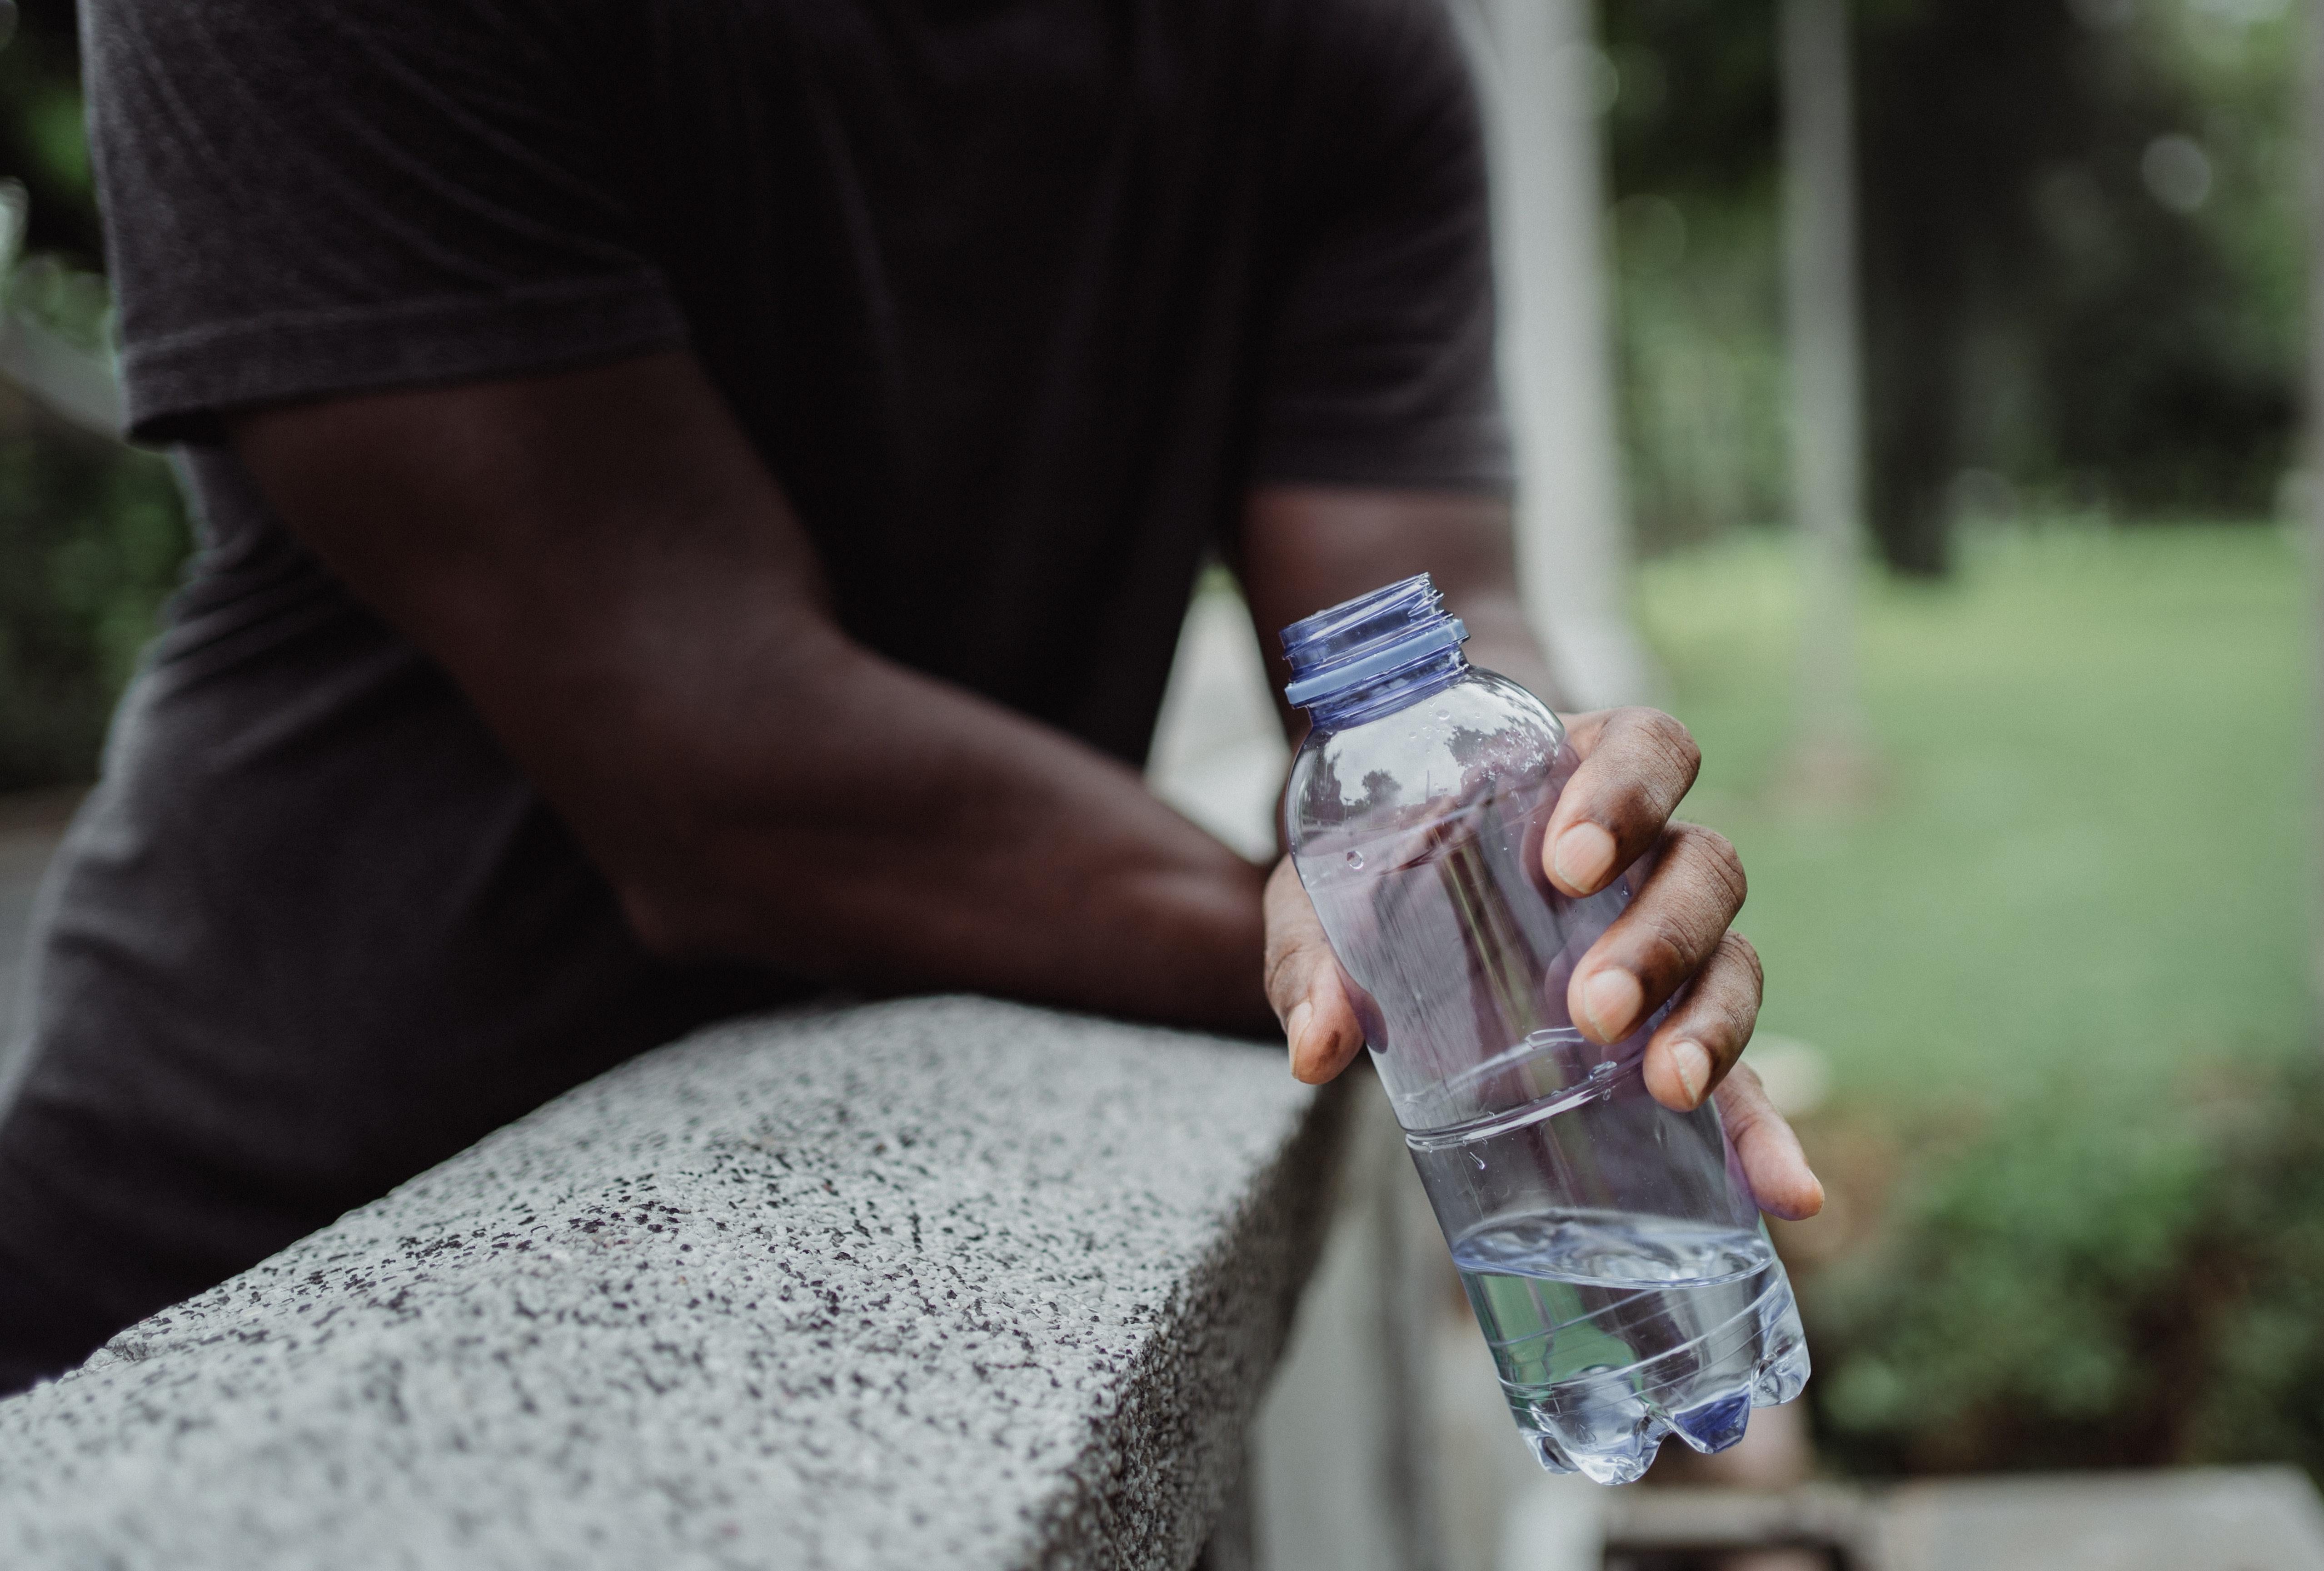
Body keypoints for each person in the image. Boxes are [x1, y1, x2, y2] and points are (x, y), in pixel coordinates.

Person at [0, 0, 1819, 1396]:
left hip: (900, 1246)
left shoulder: (1321, 36)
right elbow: (723, 767)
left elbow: (1422, 638)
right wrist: (1396, 963)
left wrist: (1558, 841)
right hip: (269, 1272)